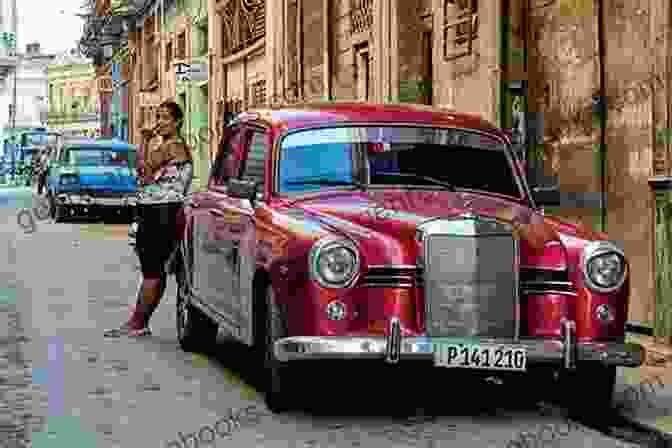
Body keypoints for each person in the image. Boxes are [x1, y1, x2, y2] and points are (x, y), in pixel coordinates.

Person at [105, 100, 193, 337]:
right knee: (154, 270)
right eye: (158, 117)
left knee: (153, 270)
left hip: (162, 211)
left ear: (178, 122)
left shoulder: (173, 146)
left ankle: (138, 323)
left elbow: (143, 170)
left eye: (165, 118)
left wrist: (144, 140)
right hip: (157, 210)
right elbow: (143, 172)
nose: (160, 123)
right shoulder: (166, 146)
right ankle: (140, 322)